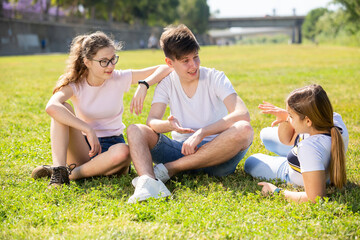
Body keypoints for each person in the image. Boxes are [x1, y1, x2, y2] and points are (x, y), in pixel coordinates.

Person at [126, 24, 253, 203]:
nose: (193, 65)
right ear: (170, 63)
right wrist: (169, 125)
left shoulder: (215, 77)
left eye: (195, 57)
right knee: (135, 130)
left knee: (244, 129)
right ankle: (148, 182)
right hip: (182, 150)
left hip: (218, 157)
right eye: (185, 61)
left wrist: (202, 132)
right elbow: (152, 121)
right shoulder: (167, 82)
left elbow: (242, 114)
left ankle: (169, 170)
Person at [31, 31, 172, 187]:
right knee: (61, 108)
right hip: (84, 148)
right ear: (87, 62)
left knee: (124, 151)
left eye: (113, 59)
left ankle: (69, 174)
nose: (110, 66)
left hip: (113, 151)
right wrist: (87, 129)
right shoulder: (77, 84)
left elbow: (166, 67)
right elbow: (51, 106)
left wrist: (144, 84)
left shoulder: (118, 77)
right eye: (104, 61)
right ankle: (59, 171)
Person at [244, 84, 348, 203]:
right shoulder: (334, 120)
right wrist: (285, 117)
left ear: (308, 121)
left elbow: (315, 198)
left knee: (251, 162)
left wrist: (276, 191)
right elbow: (288, 140)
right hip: (318, 165)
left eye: (291, 116)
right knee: (265, 134)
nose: (289, 119)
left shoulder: (308, 148)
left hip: (293, 173)